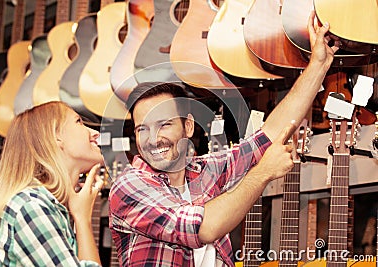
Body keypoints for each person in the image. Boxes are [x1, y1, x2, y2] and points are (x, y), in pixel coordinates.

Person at [108, 11, 340, 267]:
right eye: (142, 129)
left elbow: (270, 133)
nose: (153, 139)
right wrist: (262, 173)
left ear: (187, 127)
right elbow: (203, 228)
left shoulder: (204, 171)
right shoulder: (129, 185)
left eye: (164, 125)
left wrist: (318, 65)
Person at [0, 101, 105, 266]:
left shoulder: (45, 206)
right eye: (78, 122)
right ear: (54, 136)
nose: (95, 133)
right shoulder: (31, 206)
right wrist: (82, 220)